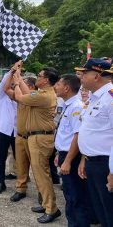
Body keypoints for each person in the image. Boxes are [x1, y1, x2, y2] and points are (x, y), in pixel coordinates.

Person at [13, 67, 61, 224]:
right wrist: (19, 78)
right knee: (41, 174)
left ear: (46, 80)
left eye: (39, 76)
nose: (36, 78)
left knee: (42, 175)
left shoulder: (44, 96)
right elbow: (28, 94)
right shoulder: (42, 94)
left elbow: (20, 97)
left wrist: (16, 81)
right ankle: (47, 203)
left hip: (40, 138)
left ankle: (51, 209)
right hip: (38, 138)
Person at [76, 59, 113, 227]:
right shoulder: (94, 97)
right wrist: (85, 158)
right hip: (93, 162)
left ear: (97, 76)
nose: (81, 77)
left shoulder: (110, 97)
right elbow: (90, 132)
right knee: (100, 210)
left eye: (85, 73)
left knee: (109, 210)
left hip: (105, 165)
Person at [53, 74, 91, 227]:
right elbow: (65, 133)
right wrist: (59, 154)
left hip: (72, 158)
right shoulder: (68, 104)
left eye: (59, 84)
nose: (56, 87)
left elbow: (77, 135)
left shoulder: (76, 107)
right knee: (70, 196)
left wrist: (68, 160)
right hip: (65, 154)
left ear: (67, 88)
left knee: (75, 197)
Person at [8, 76, 36, 202]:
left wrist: (18, 80)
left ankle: (42, 192)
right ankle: (21, 189)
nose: (17, 86)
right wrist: (12, 74)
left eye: (22, 84)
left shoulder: (36, 96)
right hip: (20, 136)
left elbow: (25, 94)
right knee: (20, 165)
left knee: (37, 167)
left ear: (30, 86)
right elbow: (5, 89)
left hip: (33, 137)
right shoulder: (20, 96)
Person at [0, 61, 19, 194]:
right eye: (11, 84)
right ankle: (0, 182)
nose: (12, 86)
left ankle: (21, 185)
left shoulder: (20, 98)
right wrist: (12, 72)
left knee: (19, 159)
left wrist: (17, 78)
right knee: (0, 158)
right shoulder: (2, 97)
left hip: (18, 132)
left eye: (14, 84)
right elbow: (4, 84)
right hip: (3, 131)